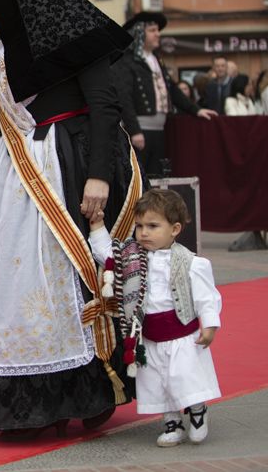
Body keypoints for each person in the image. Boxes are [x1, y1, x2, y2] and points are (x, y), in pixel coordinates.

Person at [0, 0, 140, 439]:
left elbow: (105, 106)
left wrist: (99, 174)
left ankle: (89, 389)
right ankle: (28, 398)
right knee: (14, 286)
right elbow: (4, 118)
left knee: (69, 280)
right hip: (13, 175)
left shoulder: (73, 31)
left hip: (68, 166)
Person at [88, 189, 221, 447]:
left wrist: (211, 324)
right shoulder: (131, 258)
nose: (144, 233)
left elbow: (206, 296)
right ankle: (172, 423)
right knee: (158, 382)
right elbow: (106, 253)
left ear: (175, 229)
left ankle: (197, 410)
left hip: (182, 336)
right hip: (148, 337)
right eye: (139, 226)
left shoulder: (191, 263)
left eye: (152, 226)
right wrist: (96, 226)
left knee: (184, 377)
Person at [114, 12, 216, 177]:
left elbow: (172, 90)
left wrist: (196, 110)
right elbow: (124, 97)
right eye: (153, 30)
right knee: (140, 177)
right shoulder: (127, 60)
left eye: (157, 30)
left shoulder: (155, 59)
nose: (158, 34)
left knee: (158, 175)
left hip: (159, 129)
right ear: (140, 33)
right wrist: (134, 130)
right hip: (140, 130)